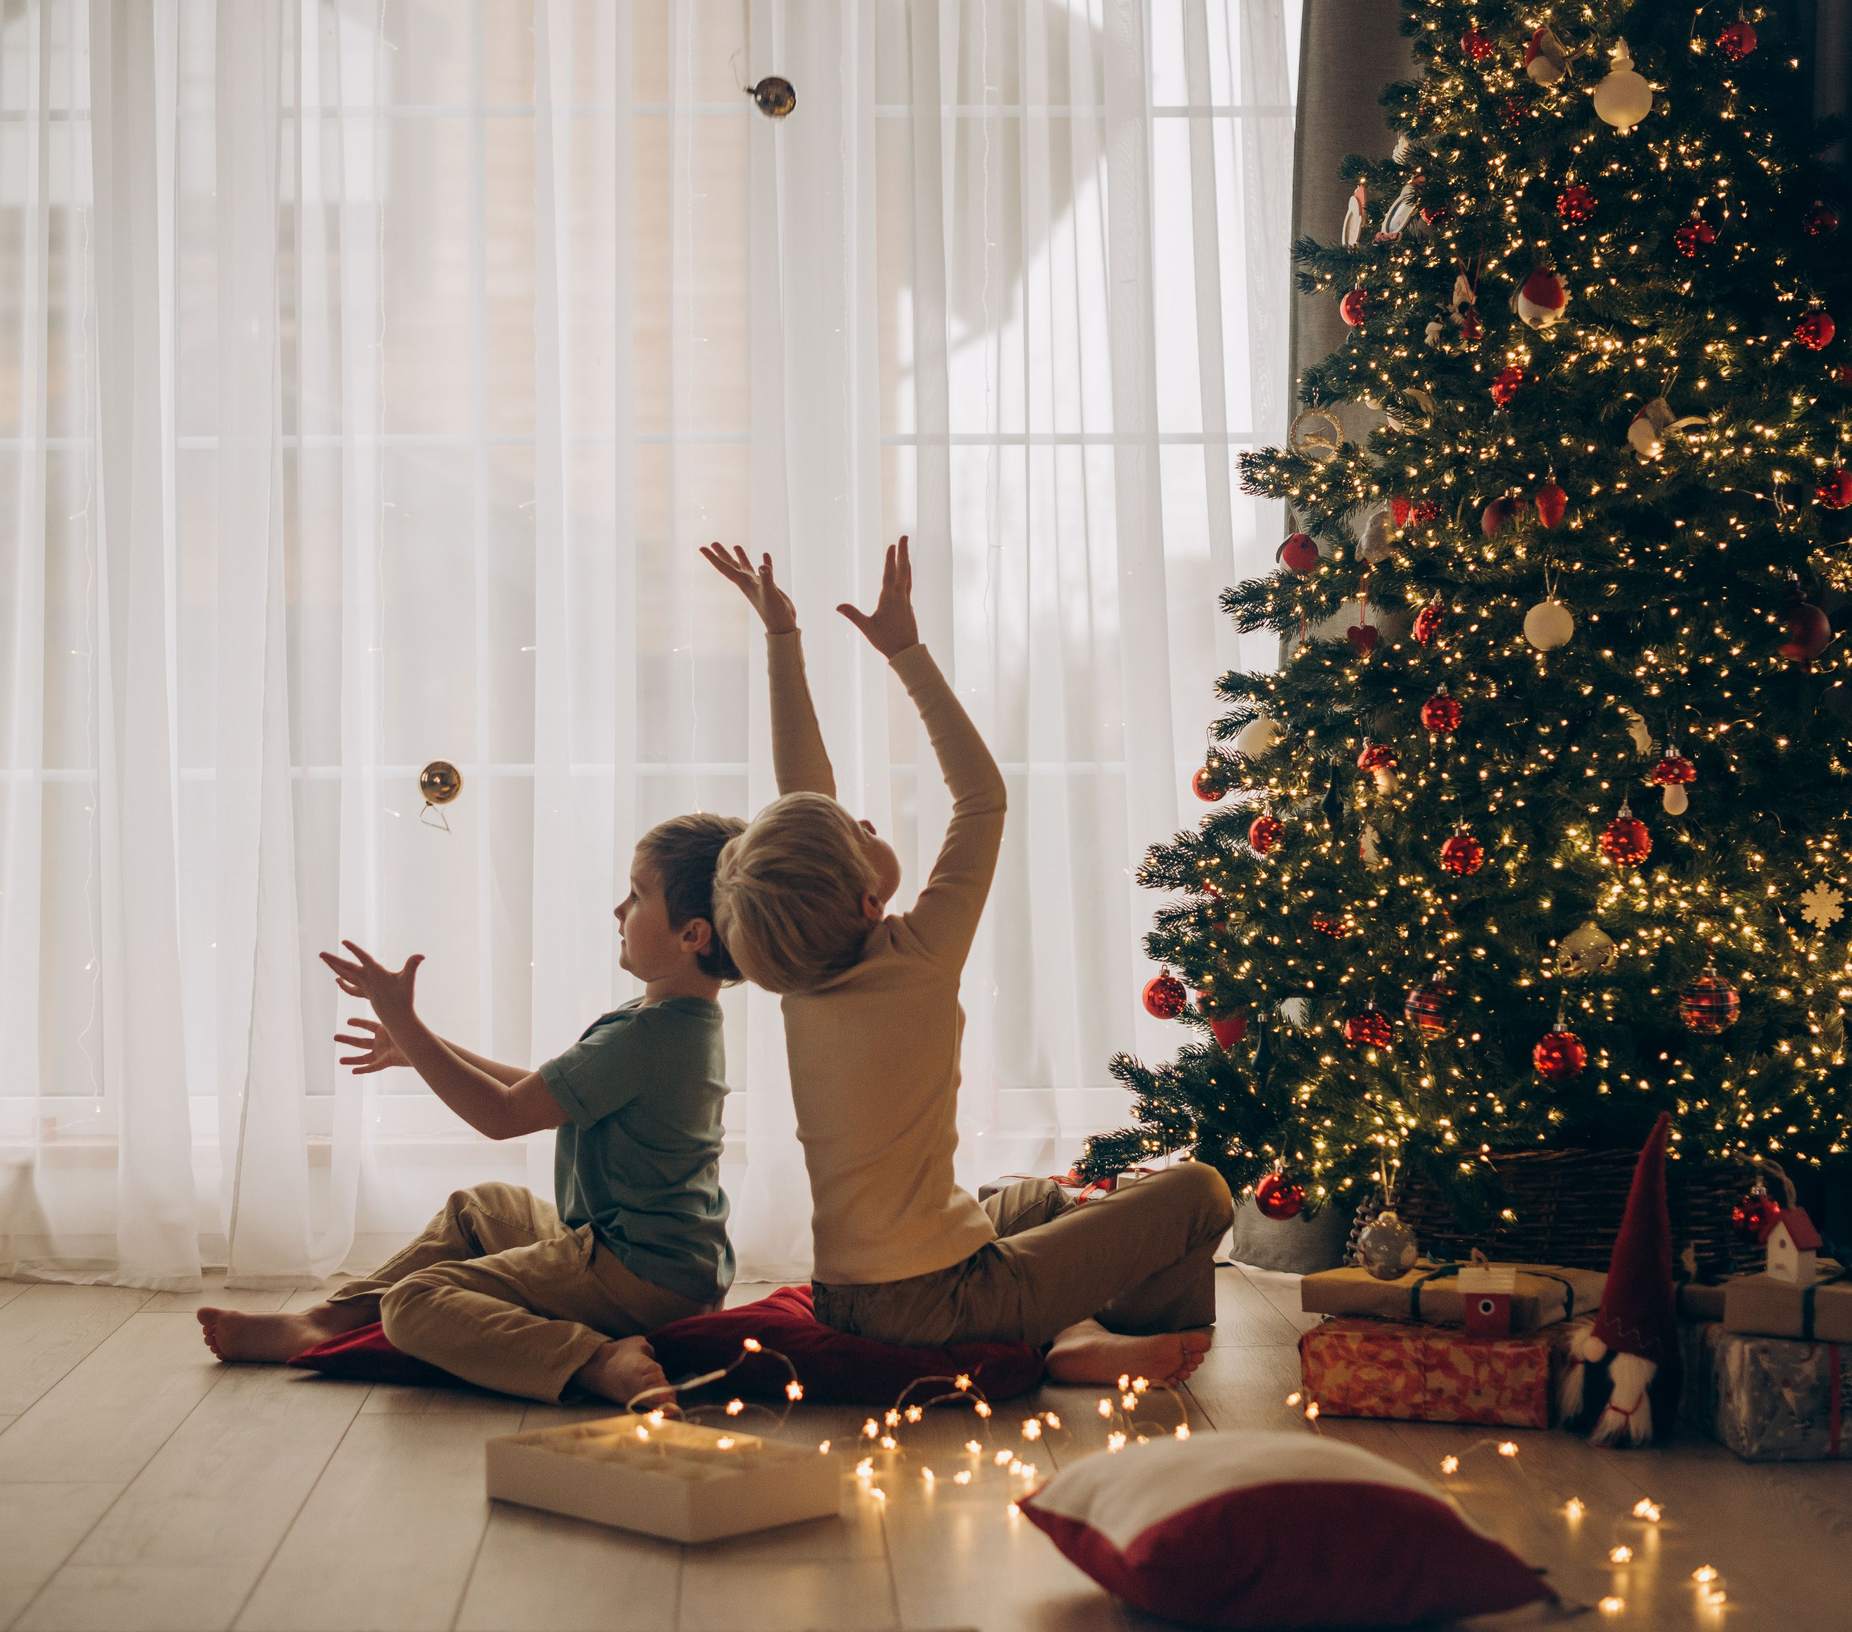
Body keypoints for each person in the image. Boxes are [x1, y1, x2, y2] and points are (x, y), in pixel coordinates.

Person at [701, 536, 1233, 1386]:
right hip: (941, 1302)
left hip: (850, 1294)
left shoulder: (798, 978)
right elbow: (981, 797)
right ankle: (1093, 1345)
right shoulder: (918, 955)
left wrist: (781, 639)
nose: (868, 822)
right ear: (869, 902)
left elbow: (804, 795)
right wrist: (907, 656)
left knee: (1029, 1200)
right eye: (860, 833)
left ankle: (1066, 1325)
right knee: (1200, 1189)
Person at [196, 814, 746, 1406]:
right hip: (665, 1264)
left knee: (411, 1304)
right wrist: (414, 1047)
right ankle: (328, 1322)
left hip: (639, 1279)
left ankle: (594, 1360)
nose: (619, 910)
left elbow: (502, 1116)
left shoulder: (648, 1035)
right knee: (480, 1208)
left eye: (636, 896)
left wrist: (405, 1022)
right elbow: (540, 1095)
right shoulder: (677, 1023)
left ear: (693, 936)